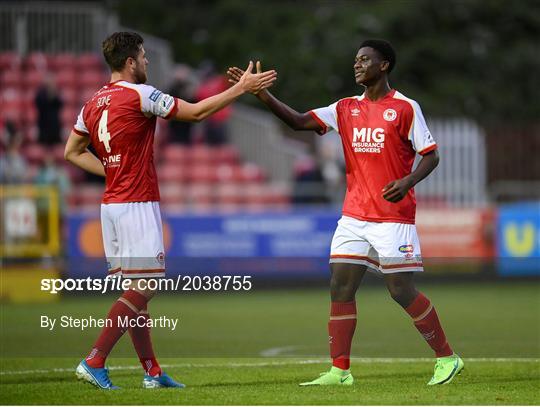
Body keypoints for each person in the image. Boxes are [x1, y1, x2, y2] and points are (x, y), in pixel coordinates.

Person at [227, 39, 463, 386]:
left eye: (365, 60)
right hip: (353, 216)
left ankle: (447, 358)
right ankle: (340, 371)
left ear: (383, 66)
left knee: (400, 290)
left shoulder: (405, 108)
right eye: (356, 60)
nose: (357, 65)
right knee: (340, 288)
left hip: (392, 215)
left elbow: (431, 155)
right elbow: (297, 121)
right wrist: (262, 95)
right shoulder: (344, 107)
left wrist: (408, 180)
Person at [64, 31, 276, 390]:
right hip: (135, 203)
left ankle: (152, 372)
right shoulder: (141, 94)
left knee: (137, 293)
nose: (147, 62)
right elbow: (195, 113)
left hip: (112, 204)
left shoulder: (93, 102)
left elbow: (72, 151)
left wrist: (112, 170)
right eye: (144, 57)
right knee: (146, 285)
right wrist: (242, 89)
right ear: (130, 62)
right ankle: (94, 359)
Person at [35, 75, 63, 146]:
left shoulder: (56, 93)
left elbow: (60, 104)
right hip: (43, 126)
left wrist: (53, 94)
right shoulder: (40, 94)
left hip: (55, 127)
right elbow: (39, 104)